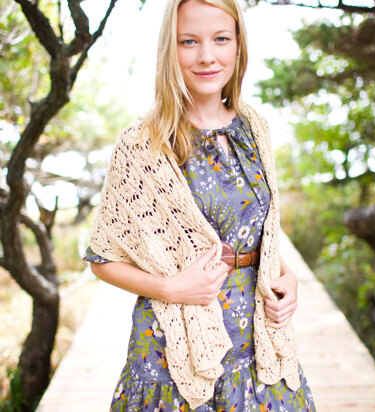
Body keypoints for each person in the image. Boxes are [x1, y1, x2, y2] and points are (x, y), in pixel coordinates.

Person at [83, 0, 317, 410]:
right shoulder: (143, 142)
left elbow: (254, 233)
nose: (207, 56)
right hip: (173, 346)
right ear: (169, 50)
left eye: (221, 39)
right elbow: (103, 259)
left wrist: (286, 274)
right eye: (189, 41)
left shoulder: (254, 128)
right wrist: (169, 287)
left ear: (239, 45)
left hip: (258, 339)